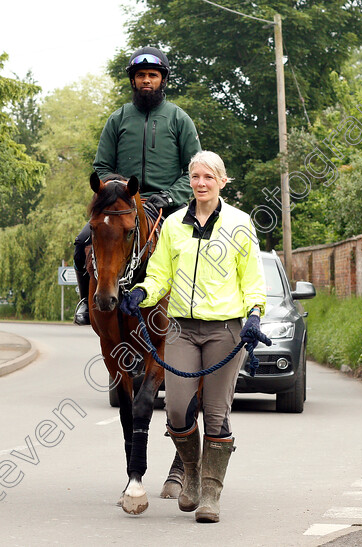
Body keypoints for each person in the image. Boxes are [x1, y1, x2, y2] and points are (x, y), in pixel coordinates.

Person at [119, 151, 270, 523]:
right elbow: (160, 275)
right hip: (182, 329)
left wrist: (254, 314)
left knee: (216, 414)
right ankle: (190, 472)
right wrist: (142, 293)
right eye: (195, 176)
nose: (201, 183)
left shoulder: (239, 223)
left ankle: (210, 494)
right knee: (176, 411)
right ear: (190, 181)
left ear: (221, 180)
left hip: (225, 329)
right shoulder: (173, 224)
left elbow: (252, 277)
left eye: (208, 177)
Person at [72, 46, 202, 325]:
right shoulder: (118, 119)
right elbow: (102, 167)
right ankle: (87, 302)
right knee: (82, 241)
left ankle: (193, 307)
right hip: (123, 203)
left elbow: (195, 170)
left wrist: (169, 196)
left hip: (166, 204)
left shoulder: (180, 119)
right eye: (141, 75)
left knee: (194, 248)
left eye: (152, 75)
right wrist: (116, 187)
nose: (146, 80)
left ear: (162, 80)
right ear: (133, 80)